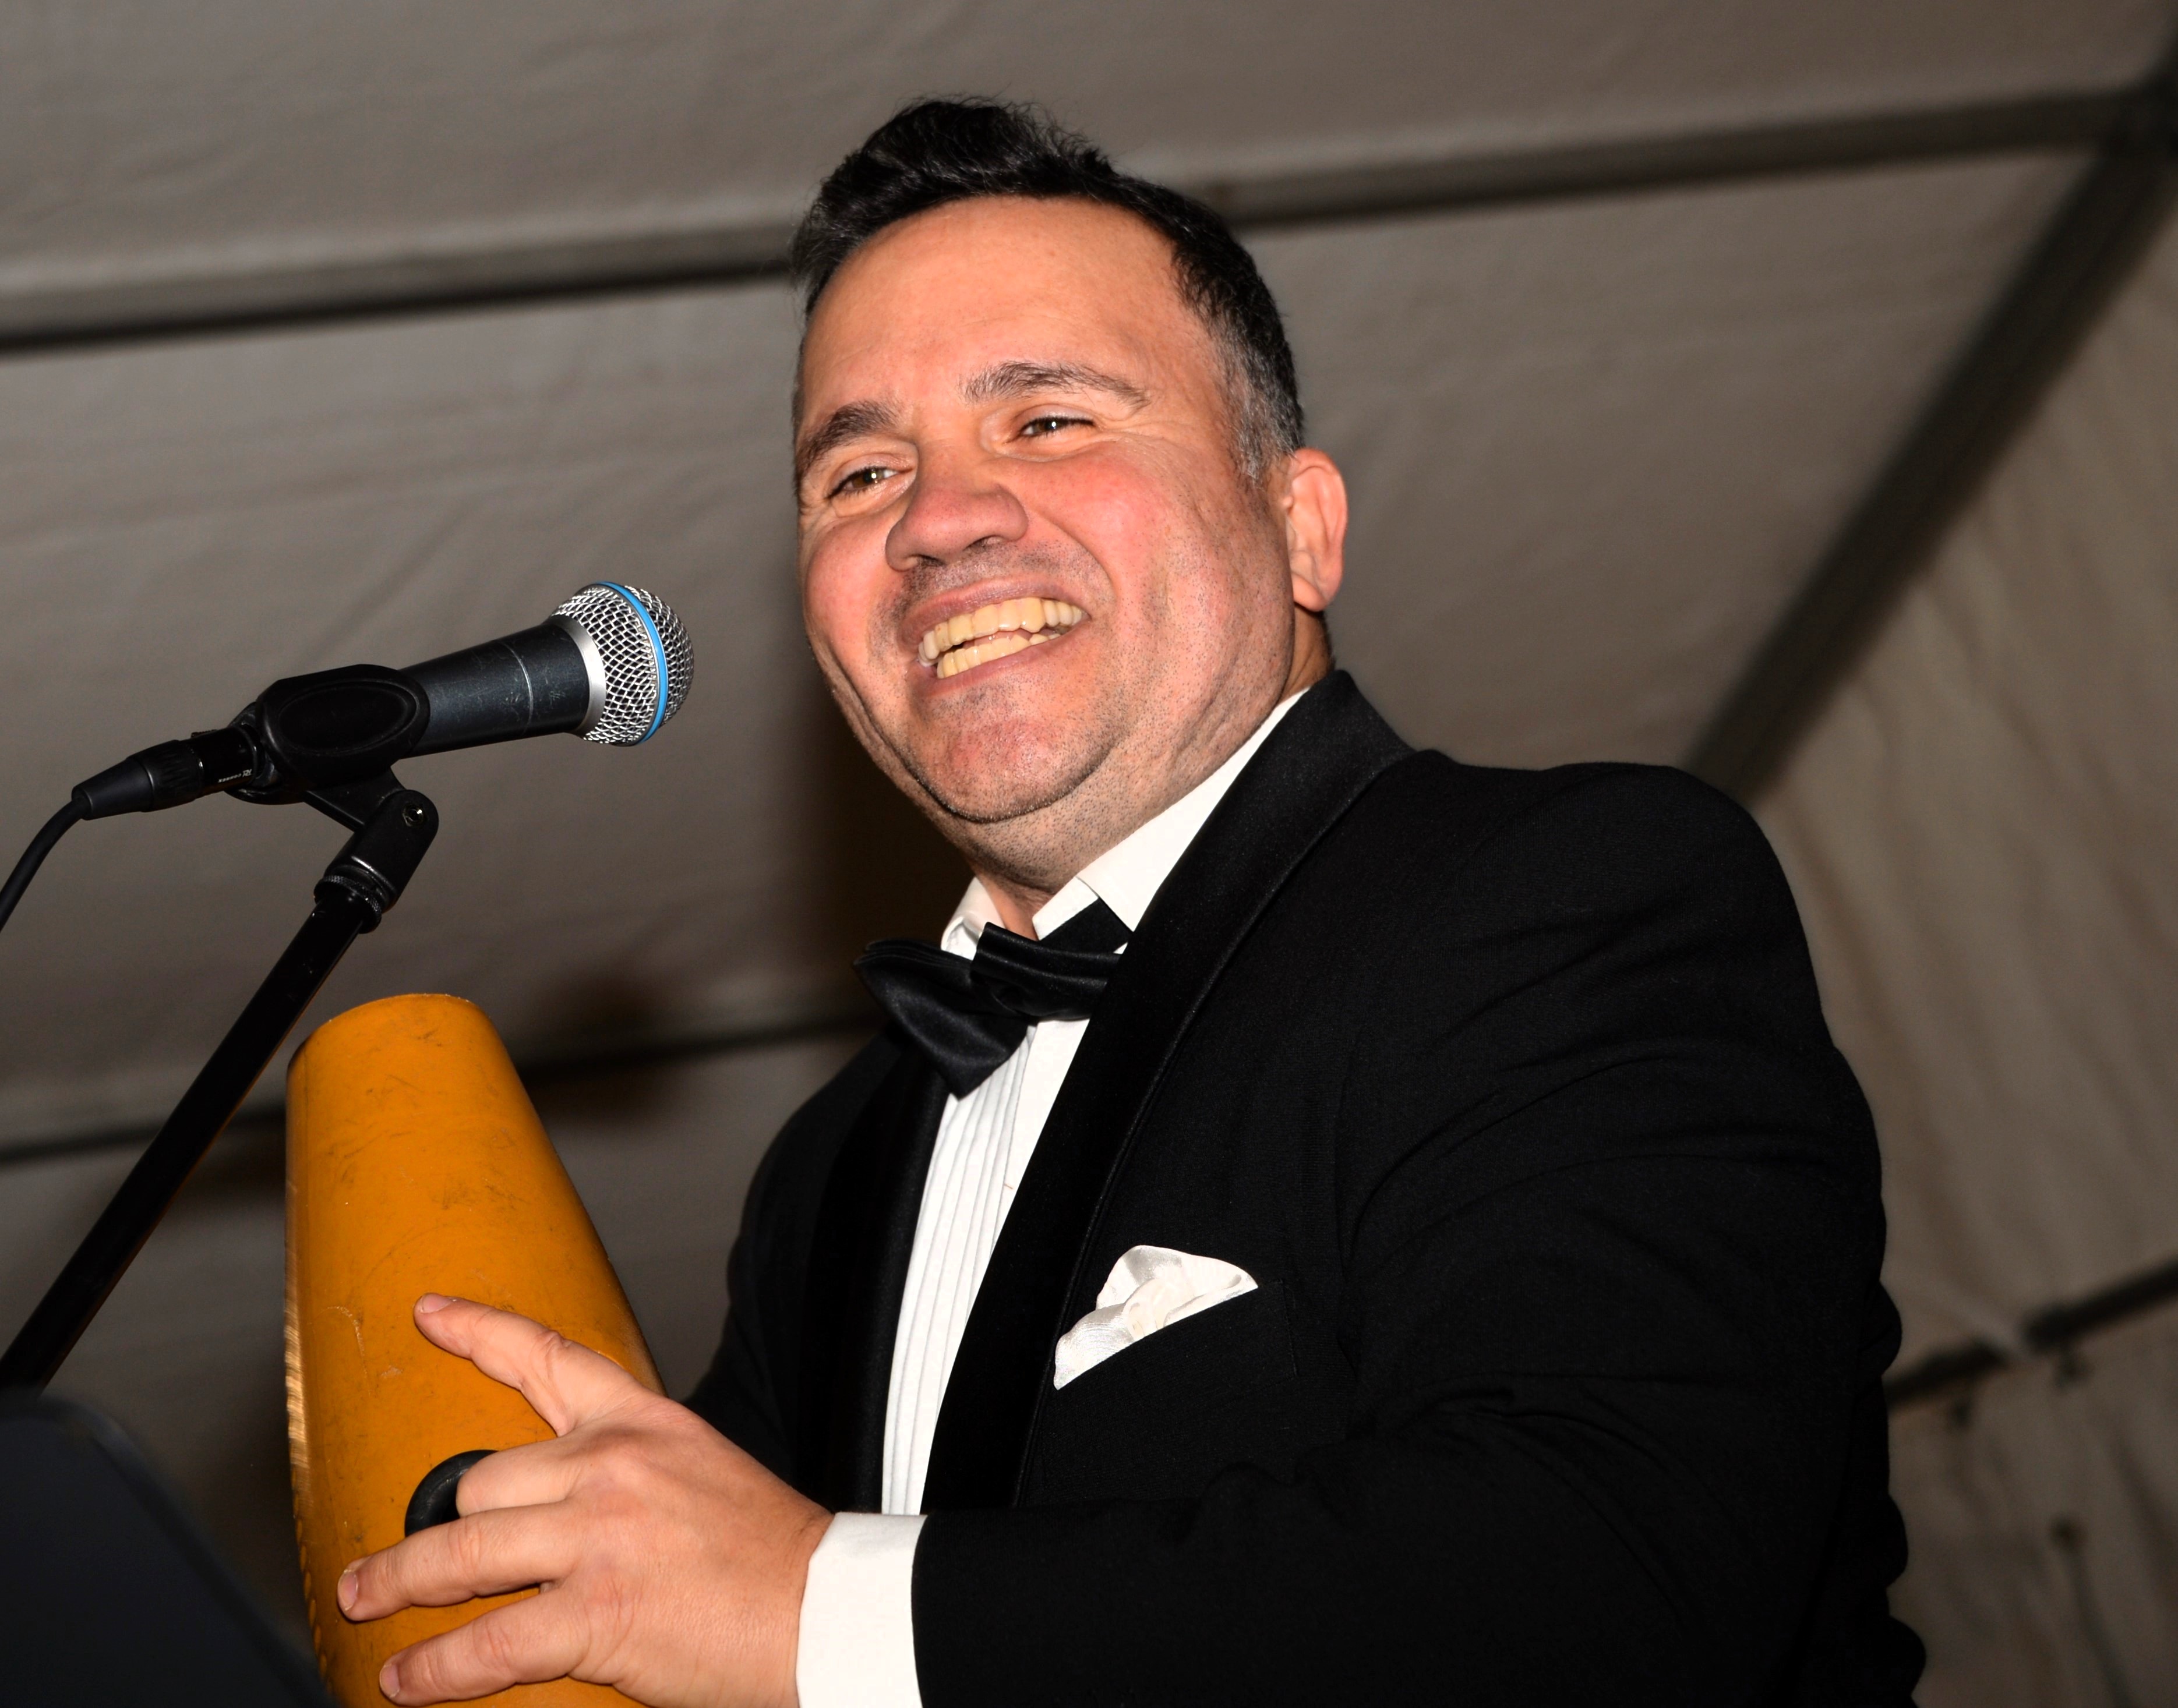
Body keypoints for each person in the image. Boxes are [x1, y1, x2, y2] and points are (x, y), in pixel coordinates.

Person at [338, 100, 1925, 1706]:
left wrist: (810, 1606)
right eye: (861, 471)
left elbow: (1607, 1573)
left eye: (1047, 422)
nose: (935, 519)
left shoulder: (1561, 896)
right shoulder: (828, 1171)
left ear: (1300, 528)